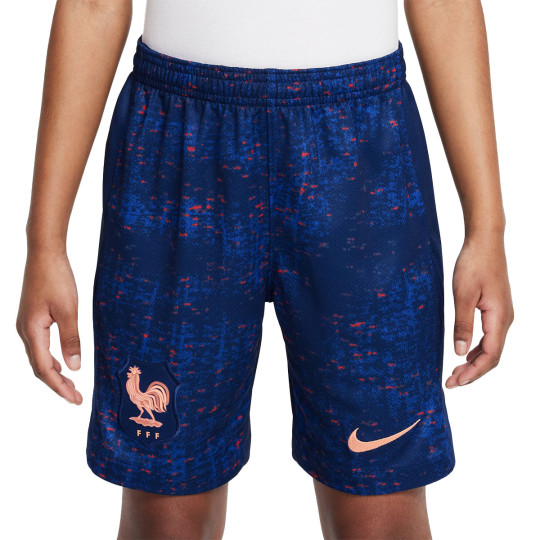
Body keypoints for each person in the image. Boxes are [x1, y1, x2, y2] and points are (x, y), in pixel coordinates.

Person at [16, 0, 514, 538]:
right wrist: (45, 242)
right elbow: (94, 5)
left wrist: (487, 228)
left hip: (360, 155)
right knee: (166, 516)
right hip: (181, 144)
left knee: (382, 510)